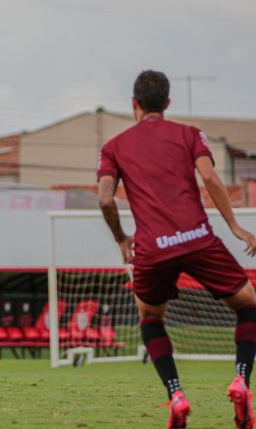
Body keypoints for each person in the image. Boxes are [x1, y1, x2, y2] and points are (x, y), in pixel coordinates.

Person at [98, 70, 256, 429]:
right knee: (248, 306)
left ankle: (176, 395)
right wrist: (234, 226)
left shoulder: (114, 147)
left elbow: (105, 199)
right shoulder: (189, 134)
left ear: (134, 104)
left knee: (151, 318)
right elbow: (211, 178)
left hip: (152, 248)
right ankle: (241, 380)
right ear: (167, 104)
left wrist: (122, 238)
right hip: (198, 239)